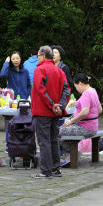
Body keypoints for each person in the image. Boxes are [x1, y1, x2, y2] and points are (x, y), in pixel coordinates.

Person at [30, 45, 69, 179]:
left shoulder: (40, 70)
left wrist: (51, 104)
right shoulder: (59, 71)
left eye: (38, 56)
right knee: (53, 140)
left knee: (44, 141)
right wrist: (61, 106)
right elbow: (66, 89)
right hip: (55, 112)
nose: (37, 58)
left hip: (42, 111)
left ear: (43, 55)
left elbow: (40, 90)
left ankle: (45, 170)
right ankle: (56, 168)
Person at [60, 72, 102, 155]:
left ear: (79, 83)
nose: (76, 89)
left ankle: (70, 155)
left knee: (58, 131)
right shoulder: (93, 91)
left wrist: (72, 121)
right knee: (65, 132)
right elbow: (100, 110)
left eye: (76, 87)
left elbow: (84, 112)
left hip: (85, 128)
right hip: (93, 126)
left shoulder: (86, 94)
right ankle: (71, 154)